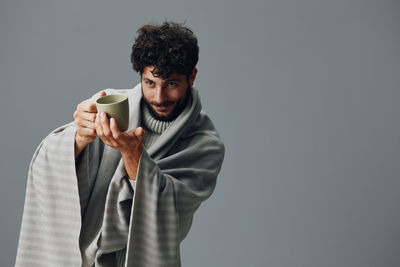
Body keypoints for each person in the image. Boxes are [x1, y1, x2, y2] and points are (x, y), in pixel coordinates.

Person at [15, 21, 225, 267]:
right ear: (141, 75)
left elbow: (171, 212)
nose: (159, 97)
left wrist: (133, 156)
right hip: (78, 257)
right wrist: (79, 138)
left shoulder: (205, 144)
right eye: (150, 82)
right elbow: (49, 162)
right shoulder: (109, 104)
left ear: (192, 77)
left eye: (171, 84)